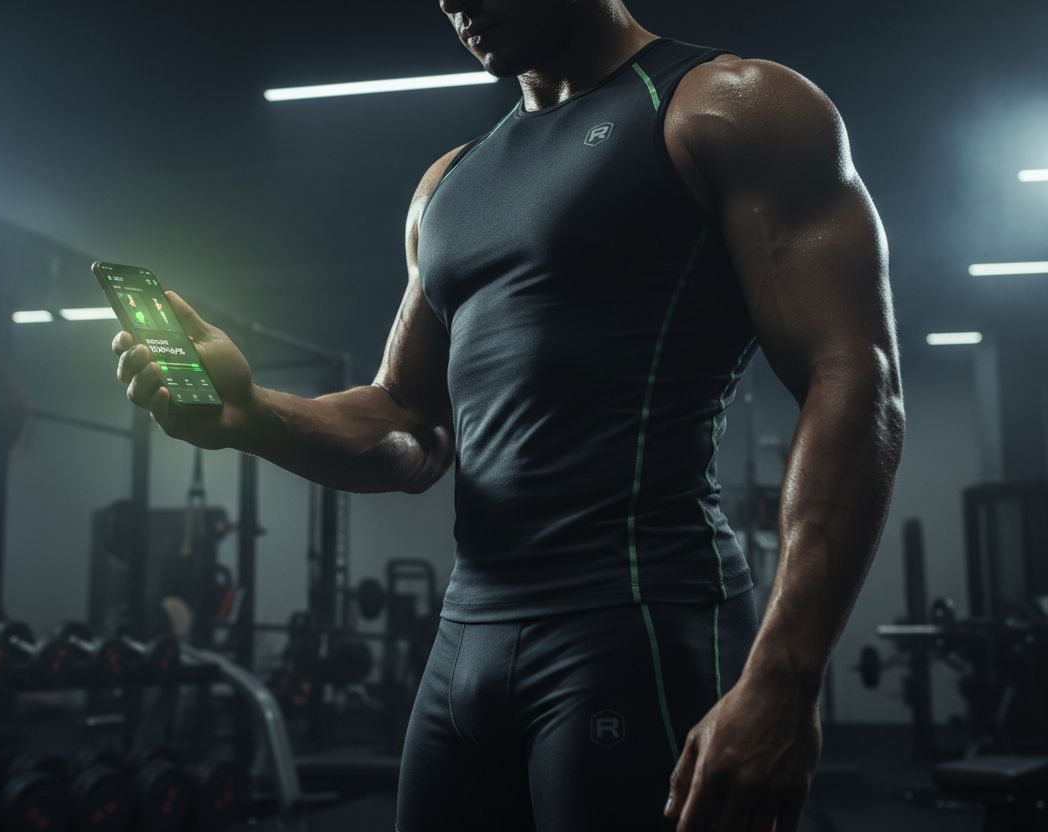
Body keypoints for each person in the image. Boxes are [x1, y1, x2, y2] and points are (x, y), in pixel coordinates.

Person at [112, 1, 905, 829]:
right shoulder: (449, 184)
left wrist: (784, 677)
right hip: (466, 642)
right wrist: (250, 414)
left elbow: (854, 378)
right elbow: (410, 422)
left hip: (638, 623)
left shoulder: (728, 107)